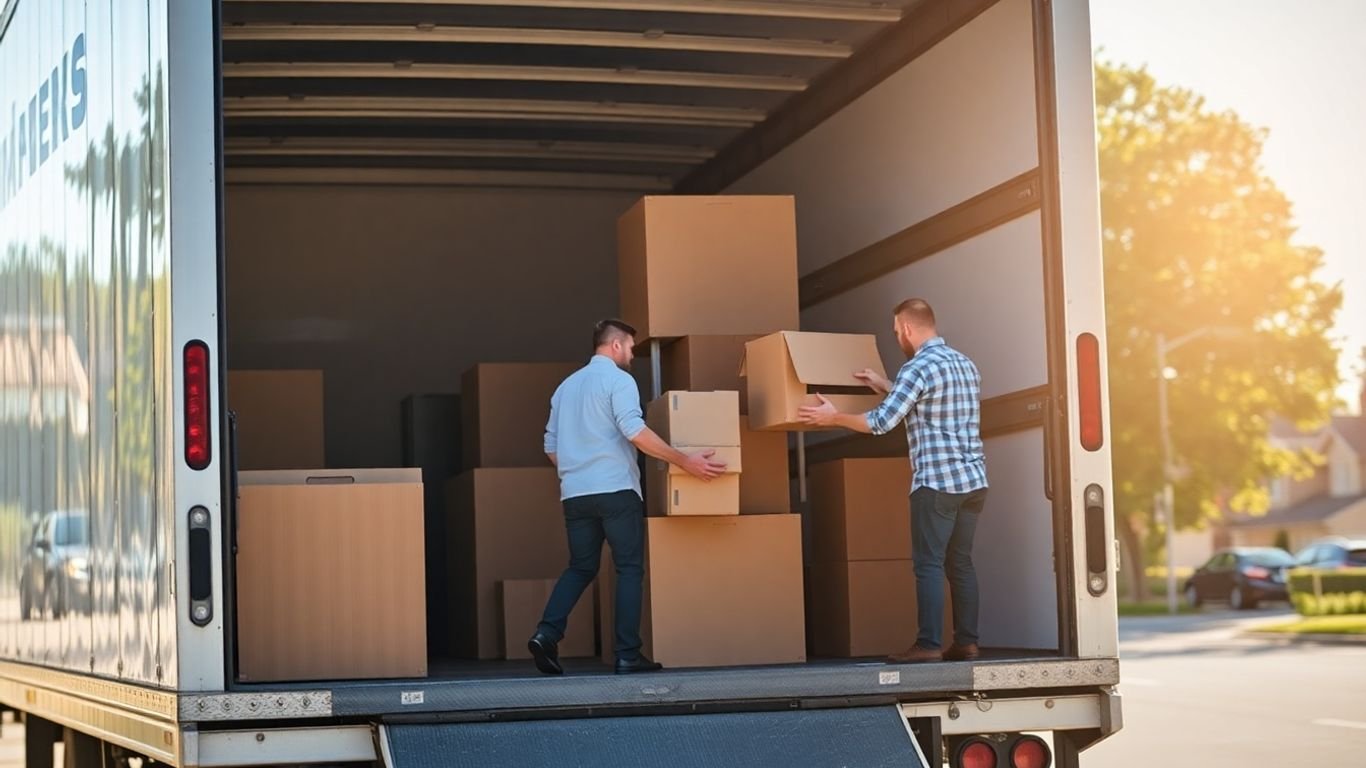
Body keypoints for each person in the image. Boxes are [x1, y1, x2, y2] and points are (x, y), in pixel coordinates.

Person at [529, 319, 727, 676]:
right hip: (616, 490)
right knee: (629, 570)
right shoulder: (619, 381)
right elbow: (634, 430)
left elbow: (550, 447)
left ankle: (546, 633)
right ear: (616, 345)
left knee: (580, 567)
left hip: (575, 495)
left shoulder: (565, 388)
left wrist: (579, 468)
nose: (633, 354)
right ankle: (627, 656)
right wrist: (686, 462)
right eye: (632, 347)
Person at [798, 298, 988, 663]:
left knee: (928, 564)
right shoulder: (965, 364)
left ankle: (929, 645)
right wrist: (885, 384)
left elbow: (880, 423)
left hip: (936, 483)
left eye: (896, 331)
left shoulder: (917, 368)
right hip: (974, 481)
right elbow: (929, 405)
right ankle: (967, 642)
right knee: (961, 563)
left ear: (906, 329)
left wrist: (833, 417)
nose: (897, 337)